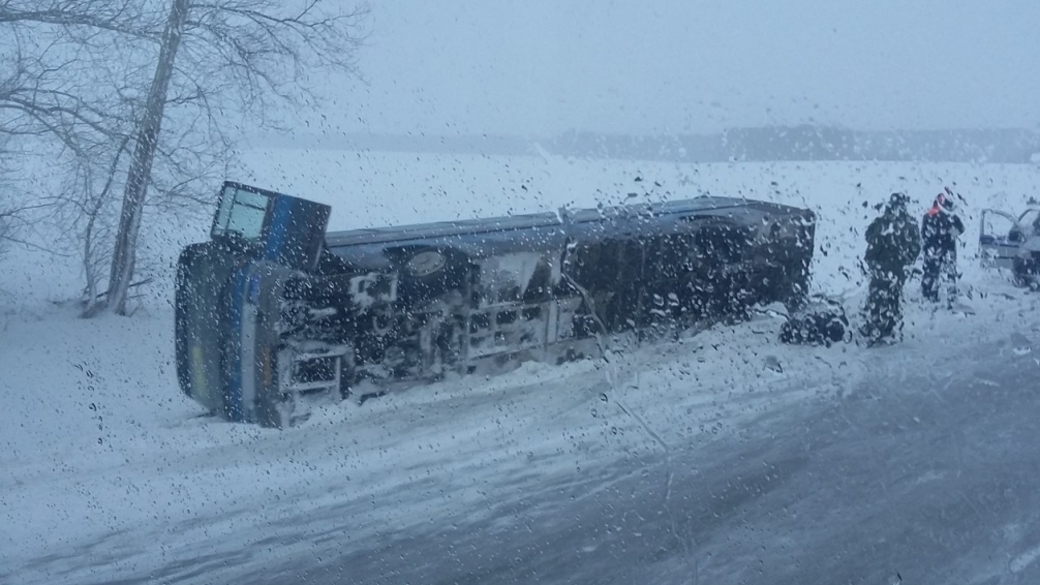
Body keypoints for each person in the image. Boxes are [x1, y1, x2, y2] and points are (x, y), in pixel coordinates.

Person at [860, 192, 921, 345]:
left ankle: (873, 326)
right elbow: (917, 246)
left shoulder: (882, 221)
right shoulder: (910, 223)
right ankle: (887, 328)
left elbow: (868, 236)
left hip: (879, 266)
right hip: (897, 268)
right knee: (892, 297)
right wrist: (907, 259)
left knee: (876, 296)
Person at [920, 189, 965, 305]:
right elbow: (924, 233)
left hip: (943, 248)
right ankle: (931, 295)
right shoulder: (930, 215)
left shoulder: (950, 216)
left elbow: (961, 228)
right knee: (932, 272)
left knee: (946, 272)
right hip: (935, 248)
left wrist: (952, 233)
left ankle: (947, 296)